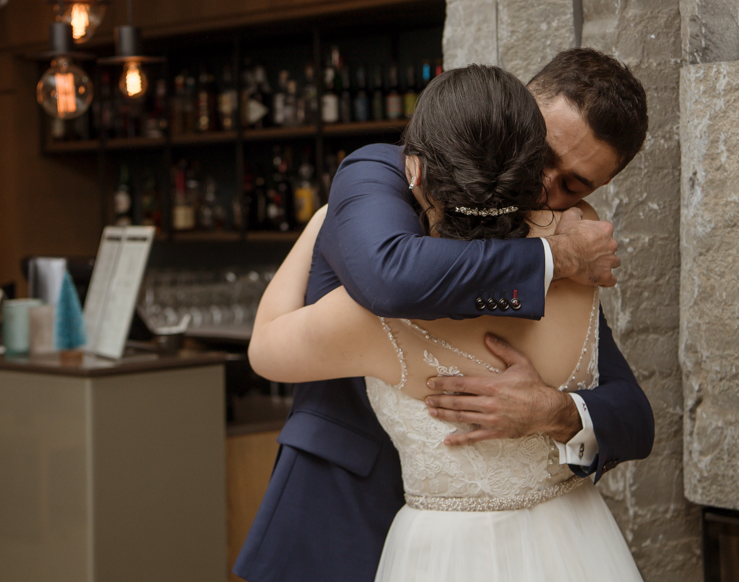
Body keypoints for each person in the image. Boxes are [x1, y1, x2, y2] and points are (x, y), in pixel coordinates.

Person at [234, 48, 654, 582]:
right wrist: (554, 257)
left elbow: (632, 414)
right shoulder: (379, 173)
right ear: (518, 107)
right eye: (542, 154)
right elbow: (391, 278)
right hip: (344, 502)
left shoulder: (563, 245)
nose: (543, 187)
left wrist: (556, 410)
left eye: (574, 185)